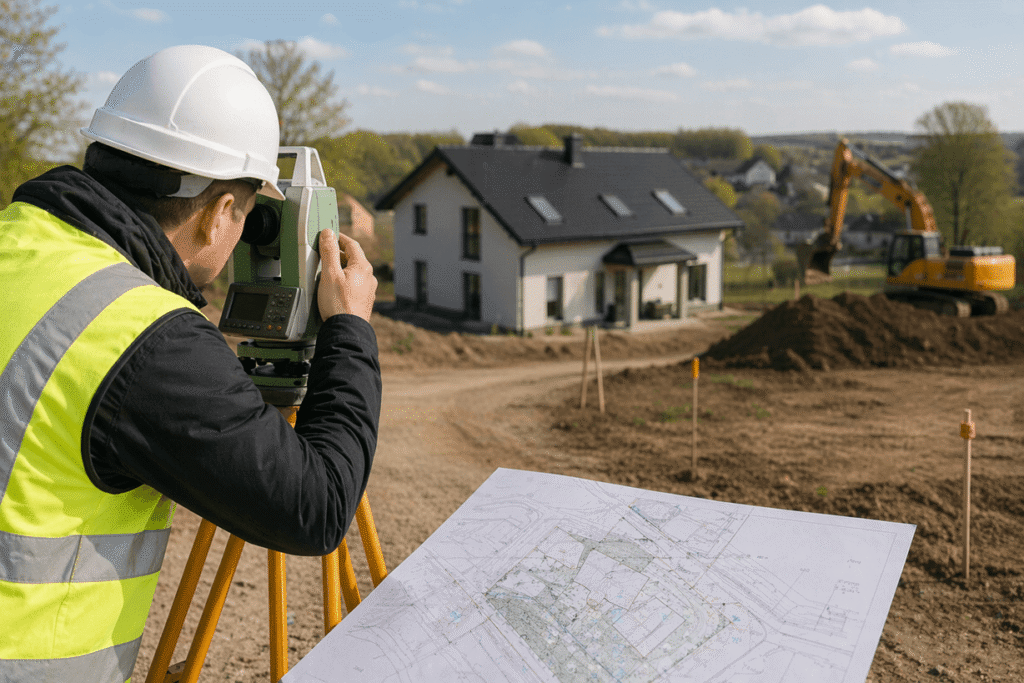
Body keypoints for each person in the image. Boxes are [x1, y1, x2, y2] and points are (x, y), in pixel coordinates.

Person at [0, 45, 380, 681]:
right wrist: (347, 330)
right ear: (221, 213)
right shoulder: (143, 336)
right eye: (250, 211)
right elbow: (316, 506)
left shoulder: (18, 242)